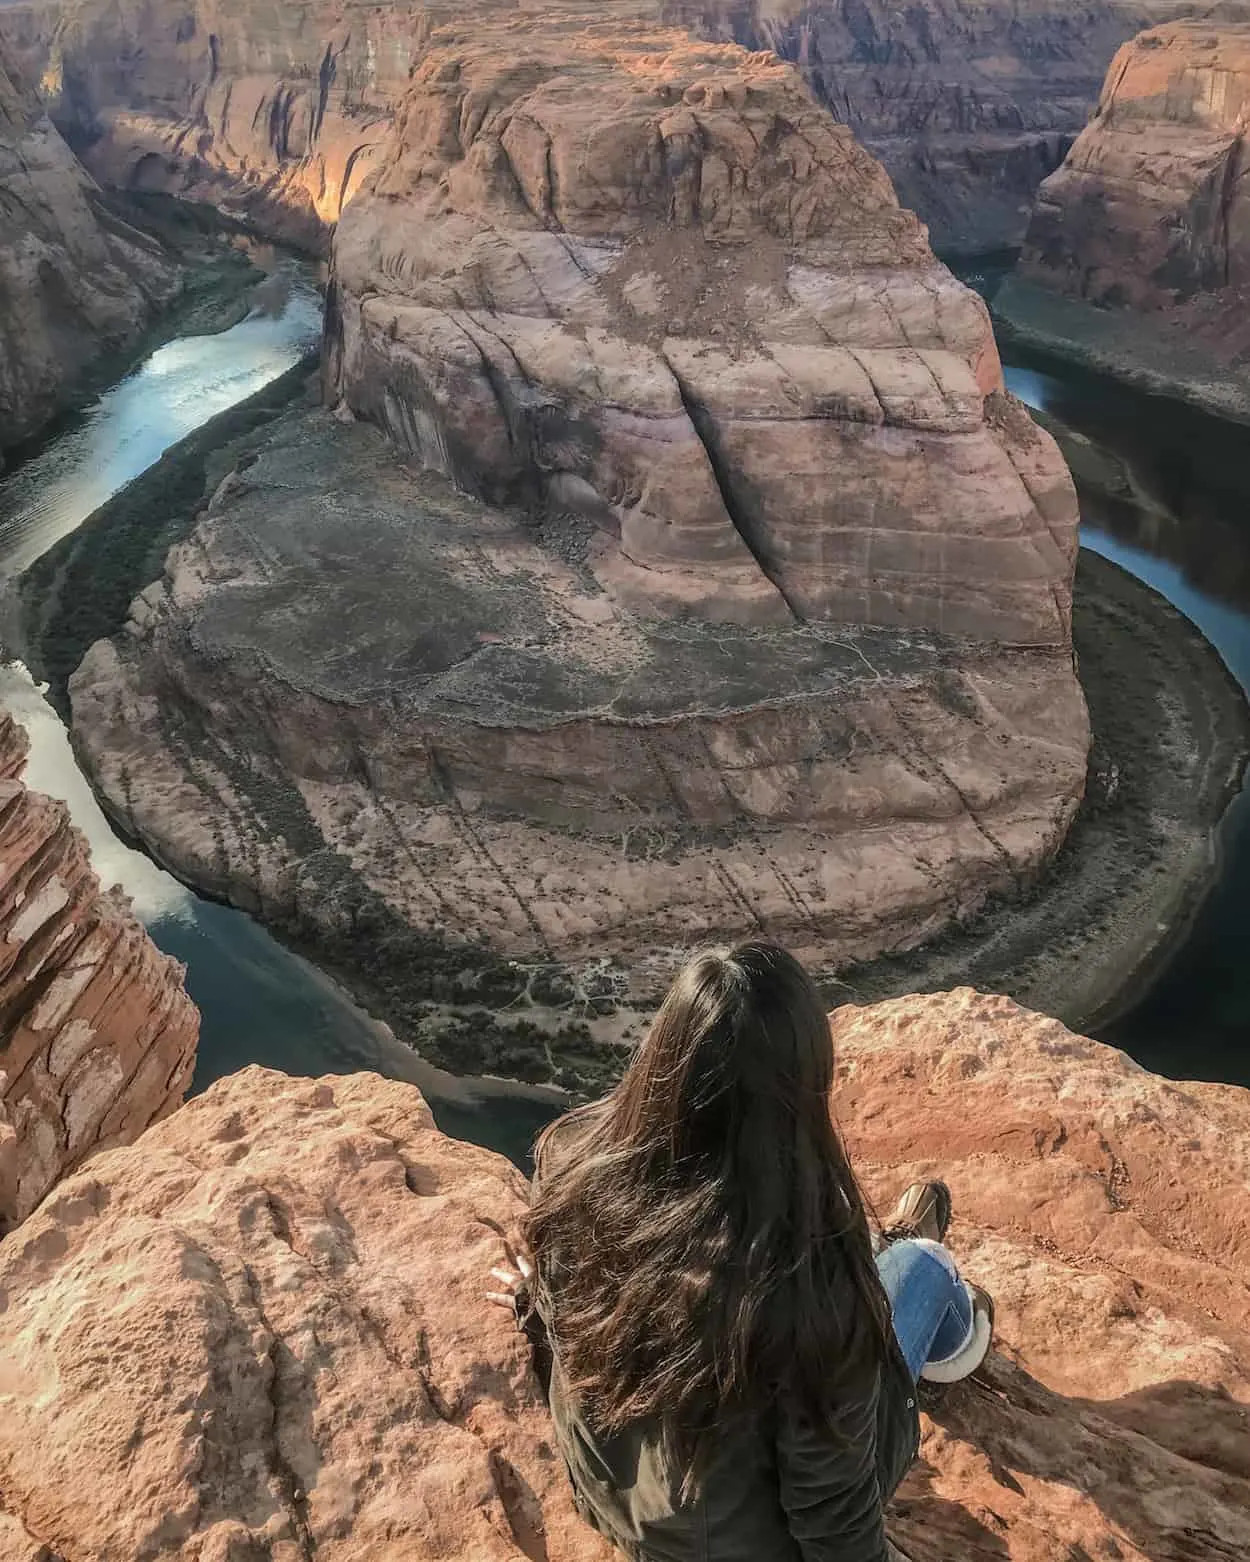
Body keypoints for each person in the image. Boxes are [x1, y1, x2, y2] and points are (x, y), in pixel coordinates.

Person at [488, 941, 993, 1562]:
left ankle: (898, 1255)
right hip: (741, 1548)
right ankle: (953, 1325)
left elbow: (563, 1335)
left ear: (665, 1052)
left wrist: (530, 1297)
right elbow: (833, 1514)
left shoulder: (575, 1167)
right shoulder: (808, 1279)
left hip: (625, 1512)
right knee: (924, 1270)